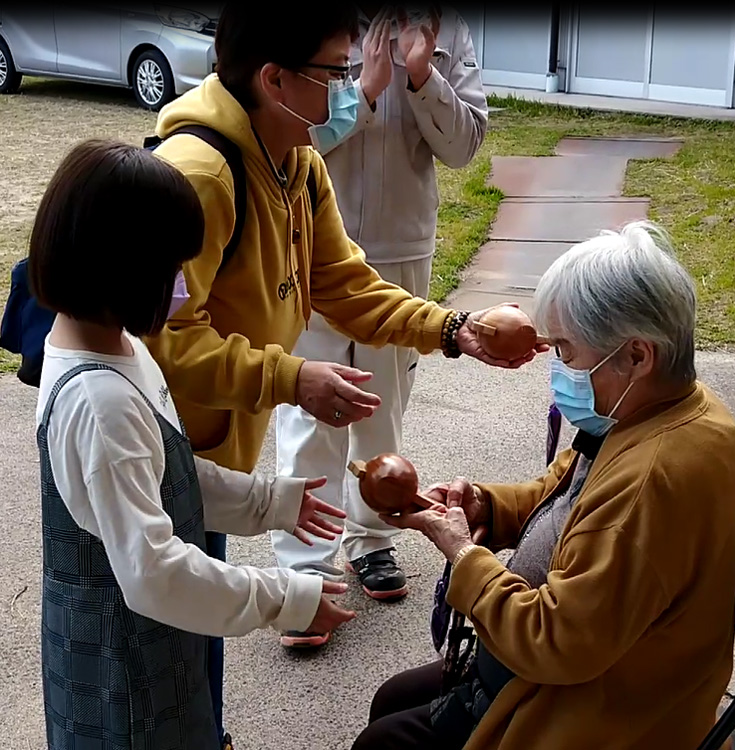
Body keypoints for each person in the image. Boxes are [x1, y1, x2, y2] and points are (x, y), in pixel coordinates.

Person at [142, 5, 538, 745]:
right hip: (165, 453)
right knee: (159, 650)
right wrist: (292, 380)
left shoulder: (296, 160)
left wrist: (455, 330)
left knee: (189, 658)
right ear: (275, 80)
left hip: (213, 453)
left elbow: (347, 286)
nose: (349, 91)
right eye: (334, 75)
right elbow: (162, 343)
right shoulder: (199, 176)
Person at [351, 221, 735, 750]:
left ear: (637, 355)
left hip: (599, 702)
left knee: (386, 740)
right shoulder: (655, 410)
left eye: (565, 350)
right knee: (394, 700)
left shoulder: (651, 477)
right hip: (581, 654)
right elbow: (558, 494)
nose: (558, 369)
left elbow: (556, 642)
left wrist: (464, 556)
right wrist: (485, 505)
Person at [30, 139, 354, 750]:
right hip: (124, 679)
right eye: (171, 267)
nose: (182, 285)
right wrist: (284, 596)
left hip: (155, 651)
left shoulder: (116, 347)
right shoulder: (101, 404)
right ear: (123, 265)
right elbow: (154, 573)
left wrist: (268, 502)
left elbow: (165, 470)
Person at [271, 3, 488, 638]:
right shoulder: (317, 24)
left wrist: (424, 76)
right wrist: (364, 93)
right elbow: (285, 131)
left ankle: (369, 538)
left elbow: (464, 146)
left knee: (381, 407)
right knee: (310, 405)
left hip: (400, 249)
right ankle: (306, 569)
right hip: (310, 246)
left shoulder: (445, 28)